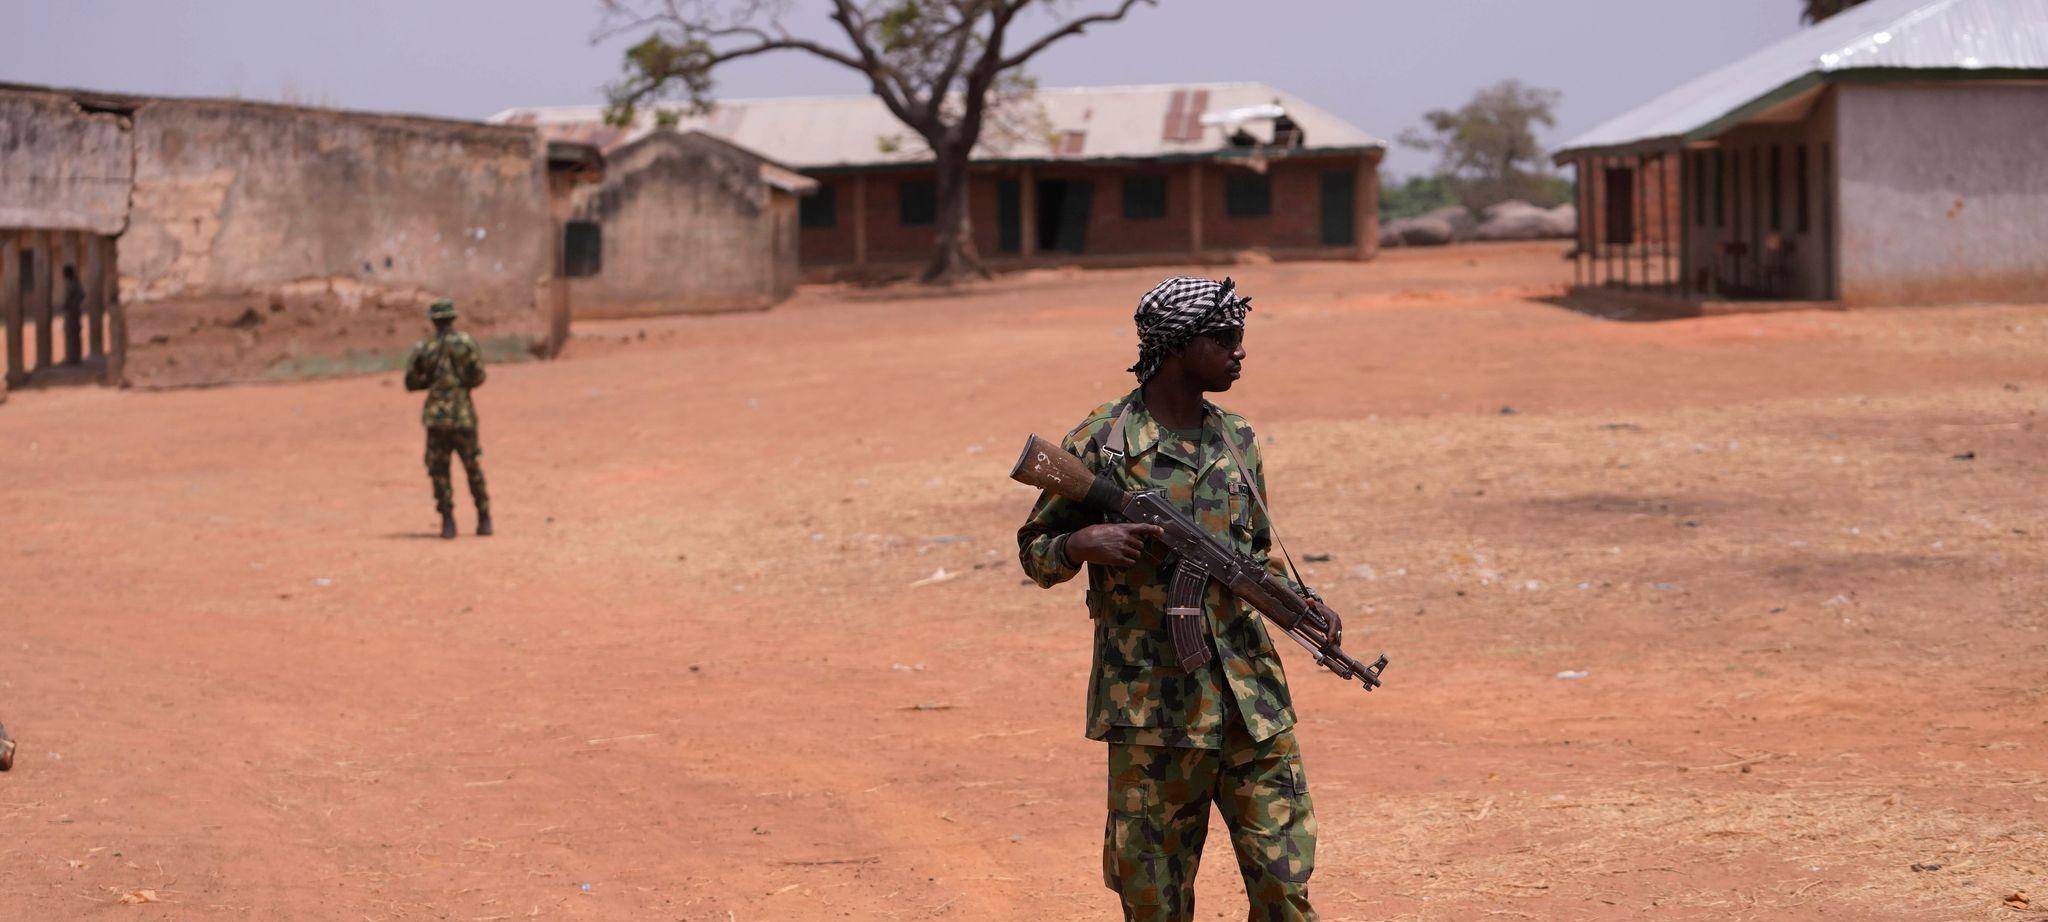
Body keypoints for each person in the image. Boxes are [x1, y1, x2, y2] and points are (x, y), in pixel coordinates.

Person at [1017, 276, 1336, 921]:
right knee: (1154, 895)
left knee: (1284, 880)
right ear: (1177, 345)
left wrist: (1303, 602)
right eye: (1224, 339)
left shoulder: (1236, 437)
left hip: (1251, 700)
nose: (1239, 351)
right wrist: (1080, 543)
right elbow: (1035, 551)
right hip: (1151, 711)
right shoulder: (1104, 441)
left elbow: (1255, 551)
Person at [404, 298, 491, 539]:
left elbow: (411, 381)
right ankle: (484, 517)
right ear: (453, 318)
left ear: (433, 320)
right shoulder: (466, 343)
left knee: (439, 471)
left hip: (436, 418)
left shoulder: (424, 347)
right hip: (463, 416)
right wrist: (460, 384)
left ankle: (448, 521)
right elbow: (479, 376)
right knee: (472, 466)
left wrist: (433, 382)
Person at [61, 265, 85, 365]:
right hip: (71, 312)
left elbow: (81, 295)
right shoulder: (73, 283)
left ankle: (73, 358)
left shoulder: (74, 284)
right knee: (71, 334)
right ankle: (72, 357)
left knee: (73, 335)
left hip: (73, 312)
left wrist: (72, 303)